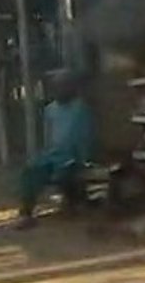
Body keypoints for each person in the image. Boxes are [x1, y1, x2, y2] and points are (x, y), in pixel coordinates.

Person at [16, 69, 94, 229]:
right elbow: (48, 136)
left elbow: (86, 136)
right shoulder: (50, 109)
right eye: (57, 86)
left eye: (64, 86)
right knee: (31, 170)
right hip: (54, 154)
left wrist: (85, 158)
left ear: (71, 88)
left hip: (74, 155)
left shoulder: (81, 108)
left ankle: (72, 203)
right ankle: (26, 213)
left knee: (67, 171)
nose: (60, 90)